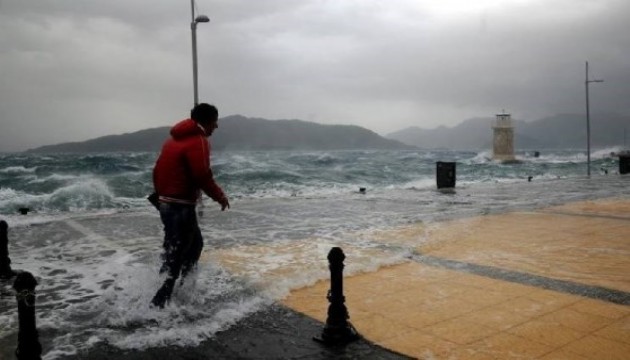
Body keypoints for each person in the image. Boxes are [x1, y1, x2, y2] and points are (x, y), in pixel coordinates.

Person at [151, 103, 230, 308]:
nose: (217, 126)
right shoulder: (198, 141)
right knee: (179, 253)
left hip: (166, 203)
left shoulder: (172, 140)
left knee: (184, 247)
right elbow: (202, 175)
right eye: (215, 121)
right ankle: (160, 302)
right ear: (207, 121)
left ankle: (180, 289)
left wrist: (161, 196)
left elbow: (157, 169)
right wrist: (219, 196)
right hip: (180, 206)